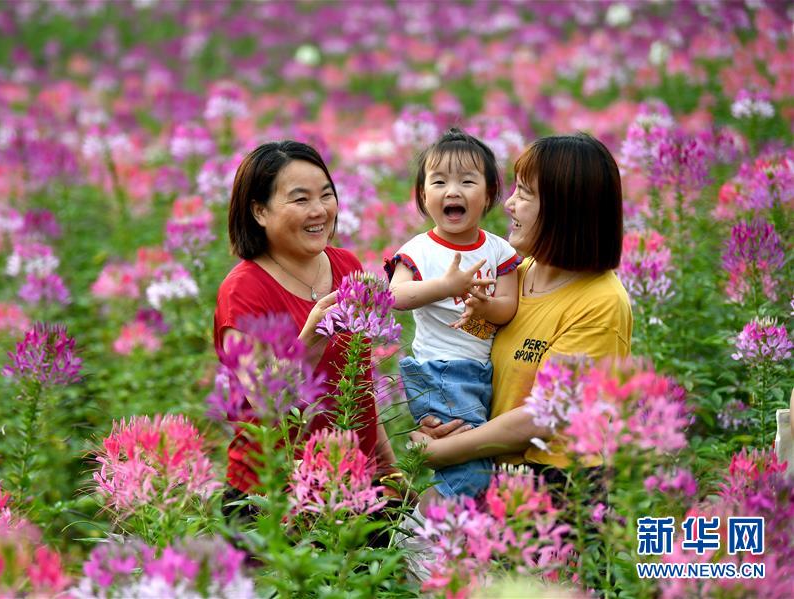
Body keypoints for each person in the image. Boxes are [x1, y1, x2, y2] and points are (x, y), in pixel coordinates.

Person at [411, 132, 631, 489]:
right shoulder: (516, 276)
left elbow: (543, 415)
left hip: (557, 487)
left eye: (525, 194)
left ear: (565, 208)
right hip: (494, 474)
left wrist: (442, 451)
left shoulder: (601, 302)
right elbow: (473, 354)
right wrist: (444, 414)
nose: (509, 204)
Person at [214, 140, 397, 501]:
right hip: (273, 495)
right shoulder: (242, 290)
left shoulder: (346, 265)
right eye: (300, 200)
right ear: (259, 211)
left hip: (357, 486)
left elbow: (359, 385)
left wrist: (388, 469)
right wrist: (310, 338)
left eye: (326, 195)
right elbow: (265, 402)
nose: (319, 211)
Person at [386, 128, 520, 498]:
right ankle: (430, 525)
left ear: (489, 194)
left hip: (480, 375)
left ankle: (423, 514)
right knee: (471, 471)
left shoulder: (500, 251)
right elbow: (395, 296)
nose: (452, 191)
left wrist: (484, 306)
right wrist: (446, 286)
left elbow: (507, 307)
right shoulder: (419, 249)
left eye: (467, 181)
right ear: (422, 195)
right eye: (439, 181)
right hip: (440, 372)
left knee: (465, 462)